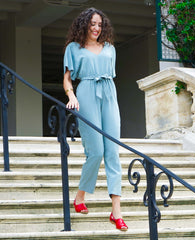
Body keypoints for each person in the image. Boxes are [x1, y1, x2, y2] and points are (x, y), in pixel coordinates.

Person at [63, 7, 128, 231]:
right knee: (96, 151)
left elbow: (111, 74)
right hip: (87, 93)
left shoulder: (109, 48)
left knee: (112, 151)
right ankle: (80, 197)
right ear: (84, 25)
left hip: (109, 94)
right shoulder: (73, 48)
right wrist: (71, 95)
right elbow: (68, 79)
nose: (96, 28)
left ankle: (116, 212)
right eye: (92, 24)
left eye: (100, 24)